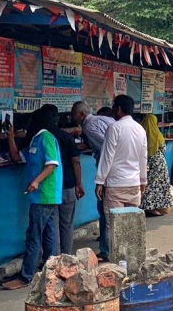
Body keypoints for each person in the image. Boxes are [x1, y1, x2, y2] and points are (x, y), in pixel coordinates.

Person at [2, 107, 63, 290]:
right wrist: (10, 136)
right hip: (43, 197)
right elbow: (17, 156)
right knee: (49, 236)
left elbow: (52, 163)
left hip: (45, 195)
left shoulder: (46, 137)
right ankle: (51, 272)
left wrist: (36, 181)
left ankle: (26, 276)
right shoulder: (36, 139)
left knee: (34, 236)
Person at [95, 95, 147, 258]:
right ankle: (132, 258)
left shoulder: (114, 128)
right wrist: (143, 180)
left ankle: (118, 262)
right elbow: (143, 157)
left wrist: (99, 181)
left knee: (114, 227)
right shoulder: (140, 129)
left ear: (118, 109)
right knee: (131, 225)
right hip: (133, 184)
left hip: (115, 184)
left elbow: (107, 156)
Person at [32, 104, 83, 255]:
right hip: (67, 186)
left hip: (50, 188)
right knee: (66, 225)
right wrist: (79, 183)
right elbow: (75, 162)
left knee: (51, 229)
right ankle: (66, 258)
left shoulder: (40, 137)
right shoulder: (65, 137)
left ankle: (52, 260)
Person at [71, 101, 115, 260]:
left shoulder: (89, 127)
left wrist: (101, 180)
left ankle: (106, 250)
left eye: (73, 114)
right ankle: (114, 247)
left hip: (109, 172)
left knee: (104, 211)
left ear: (81, 115)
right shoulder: (104, 119)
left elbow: (106, 148)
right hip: (122, 172)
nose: (71, 117)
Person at [139, 114, 173, 216]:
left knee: (147, 185)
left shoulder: (140, 133)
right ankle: (154, 208)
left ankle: (146, 206)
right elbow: (163, 149)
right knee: (158, 185)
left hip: (145, 163)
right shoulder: (158, 135)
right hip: (158, 163)